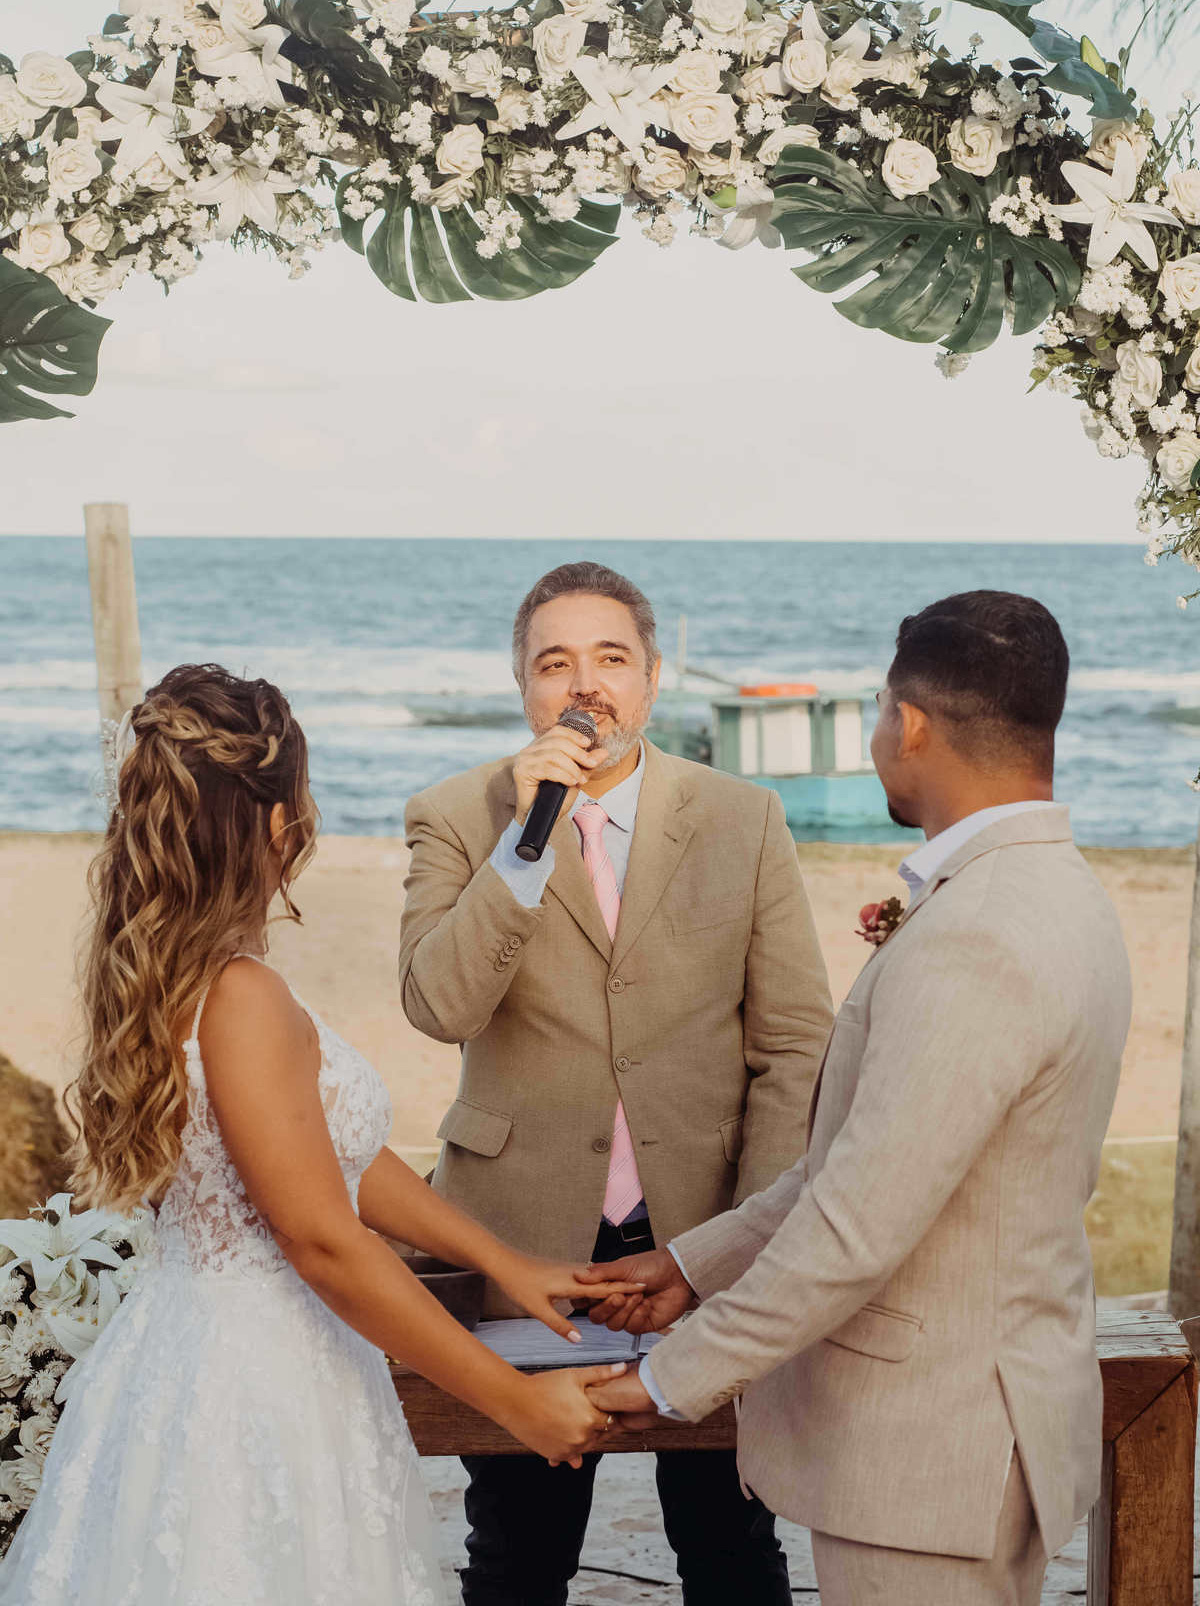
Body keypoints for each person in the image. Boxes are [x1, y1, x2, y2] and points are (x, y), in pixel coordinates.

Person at [0, 663, 640, 1606]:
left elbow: (324, 1159)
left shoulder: (184, 970)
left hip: (196, 1351)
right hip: (253, 1386)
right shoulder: (243, 997)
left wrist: (501, 1261)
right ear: (275, 822)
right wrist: (513, 1405)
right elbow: (320, 1238)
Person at [587, 590, 1133, 1606]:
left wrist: (666, 1381)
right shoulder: (1055, 889)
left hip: (935, 1452)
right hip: (974, 1428)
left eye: (882, 712)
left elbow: (856, 1226)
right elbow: (866, 1162)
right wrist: (693, 1265)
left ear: (910, 722)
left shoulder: (982, 934)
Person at [399, 561, 834, 1606]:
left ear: (650, 680)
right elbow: (435, 1007)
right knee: (518, 1557)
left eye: (610, 659)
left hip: (702, 1254)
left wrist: (732, 1247)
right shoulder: (458, 817)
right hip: (521, 1254)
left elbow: (795, 1048)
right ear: (523, 687)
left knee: (731, 1553)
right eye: (556, 663)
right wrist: (525, 839)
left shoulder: (743, 817)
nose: (584, 685)